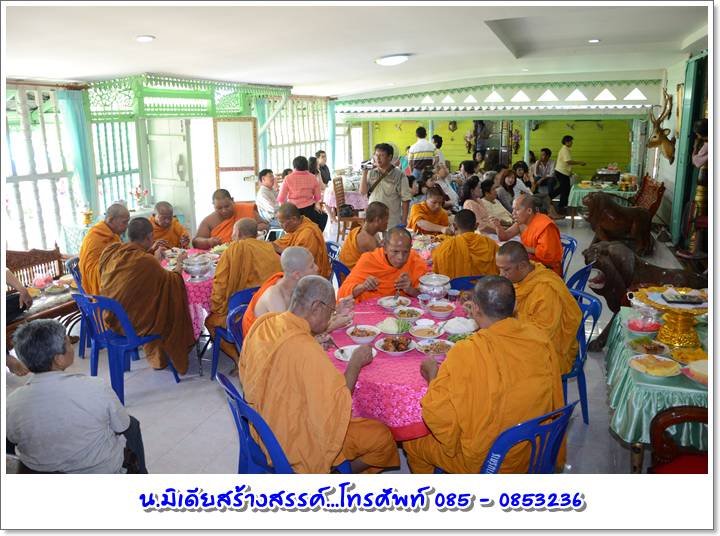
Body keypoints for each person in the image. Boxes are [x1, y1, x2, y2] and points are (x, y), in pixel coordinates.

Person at [402, 276, 564, 473]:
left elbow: (439, 414)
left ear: (475, 309)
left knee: (414, 442)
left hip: (491, 460)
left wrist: (432, 376)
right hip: (537, 446)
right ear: (514, 307)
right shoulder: (539, 338)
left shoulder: (466, 351)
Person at [239, 275, 399, 473]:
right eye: (331, 311)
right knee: (382, 437)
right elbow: (338, 403)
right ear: (316, 307)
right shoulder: (306, 350)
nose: (331, 317)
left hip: (261, 426)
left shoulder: (266, 323)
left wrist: (312, 340)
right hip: (292, 443)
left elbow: (255, 367)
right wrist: (355, 363)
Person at [7, 319, 148, 473]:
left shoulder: (11, 403)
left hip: (45, 476)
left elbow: (12, 439)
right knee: (131, 424)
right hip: (101, 471)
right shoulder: (94, 387)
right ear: (58, 359)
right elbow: (122, 425)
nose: (71, 347)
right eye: (68, 343)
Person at [98, 218, 195, 374]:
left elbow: (137, 272)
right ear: (150, 236)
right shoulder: (146, 261)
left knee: (158, 296)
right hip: (130, 324)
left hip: (110, 317)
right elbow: (173, 281)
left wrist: (151, 255)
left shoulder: (113, 252)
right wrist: (180, 263)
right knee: (167, 303)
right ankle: (168, 353)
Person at [496, 241, 582, 375]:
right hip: (524, 336)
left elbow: (542, 335)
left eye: (506, 270)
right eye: (499, 269)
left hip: (549, 351)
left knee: (494, 363)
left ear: (523, 266)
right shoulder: (526, 275)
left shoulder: (546, 290)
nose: (501, 275)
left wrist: (511, 317)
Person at [205, 218, 282, 359]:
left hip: (240, 314)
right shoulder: (269, 248)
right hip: (269, 310)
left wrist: (217, 308)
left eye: (233, 232)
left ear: (238, 233)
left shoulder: (233, 250)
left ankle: (239, 358)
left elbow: (220, 284)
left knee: (211, 321)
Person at [241, 246, 354, 337]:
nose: (317, 268)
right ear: (297, 275)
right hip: (264, 346)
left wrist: (334, 310)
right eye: (311, 266)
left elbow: (305, 317)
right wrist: (331, 326)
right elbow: (292, 336)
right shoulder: (274, 296)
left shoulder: (296, 285)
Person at [337, 227, 427, 302]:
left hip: (402, 313)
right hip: (370, 312)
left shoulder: (414, 261)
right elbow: (342, 294)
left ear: (410, 248)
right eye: (395, 251)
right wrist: (363, 286)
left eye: (405, 252)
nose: (400, 257)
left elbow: (427, 299)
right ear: (385, 248)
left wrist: (410, 290)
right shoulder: (369, 260)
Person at [493, 194, 563, 276]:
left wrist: (522, 248)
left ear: (529, 211)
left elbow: (548, 255)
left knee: (510, 270)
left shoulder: (545, 226)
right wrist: (498, 226)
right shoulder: (521, 223)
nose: (513, 213)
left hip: (547, 269)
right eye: (513, 209)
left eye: (517, 210)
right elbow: (504, 237)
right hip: (529, 262)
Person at [78, 203, 130, 296]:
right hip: (96, 280)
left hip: (109, 275)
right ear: (110, 220)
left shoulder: (112, 234)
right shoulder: (95, 236)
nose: (127, 226)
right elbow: (93, 270)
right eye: (124, 222)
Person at [431, 210, 499, 279]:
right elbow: (500, 267)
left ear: (454, 226)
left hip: (456, 285)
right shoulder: (490, 243)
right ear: (476, 225)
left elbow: (438, 272)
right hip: (487, 284)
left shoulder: (446, 247)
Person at [359, 143, 412, 229]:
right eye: (376, 155)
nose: (378, 158)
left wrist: (403, 221)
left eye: (382, 155)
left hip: (390, 222)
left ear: (390, 157)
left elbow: (405, 200)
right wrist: (364, 173)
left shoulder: (399, 175)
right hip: (372, 220)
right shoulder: (370, 172)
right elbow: (362, 192)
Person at [272, 203, 331, 278]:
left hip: (311, 275)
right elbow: (285, 241)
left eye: (282, 222)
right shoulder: (299, 225)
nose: (280, 226)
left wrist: (280, 249)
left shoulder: (308, 233)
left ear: (293, 219)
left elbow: (303, 261)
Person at [193, 189, 266, 249]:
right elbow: (196, 241)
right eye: (219, 208)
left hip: (248, 250)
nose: (224, 210)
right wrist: (208, 241)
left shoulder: (246, 209)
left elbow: (264, 225)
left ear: (232, 200)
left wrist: (250, 230)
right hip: (221, 255)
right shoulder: (209, 220)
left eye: (227, 206)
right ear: (213, 205)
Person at [277, 156, 327, 232]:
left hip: (293, 212)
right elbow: (318, 196)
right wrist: (316, 204)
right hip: (309, 211)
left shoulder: (288, 178)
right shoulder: (312, 177)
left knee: (296, 229)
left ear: (294, 167)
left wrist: (284, 213)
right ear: (306, 166)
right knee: (324, 217)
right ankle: (314, 235)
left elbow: (281, 199)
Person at [338, 202, 389, 269]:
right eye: (386, 219)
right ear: (377, 220)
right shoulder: (368, 241)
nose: (387, 222)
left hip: (342, 269)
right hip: (351, 273)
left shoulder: (356, 230)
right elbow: (384, 262)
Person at [554, 135, 586, 213]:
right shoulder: (565, 149)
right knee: (565, 189)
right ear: (566, 142)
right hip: (561, 172)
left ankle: (550, 197)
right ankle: (561, 206)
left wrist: (570, 172)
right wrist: (580, 162)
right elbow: (568, 161)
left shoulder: (566, 149)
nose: (572, 143)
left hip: (563, 172)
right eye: (571, 141)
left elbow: (566, 162)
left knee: (563, 188)